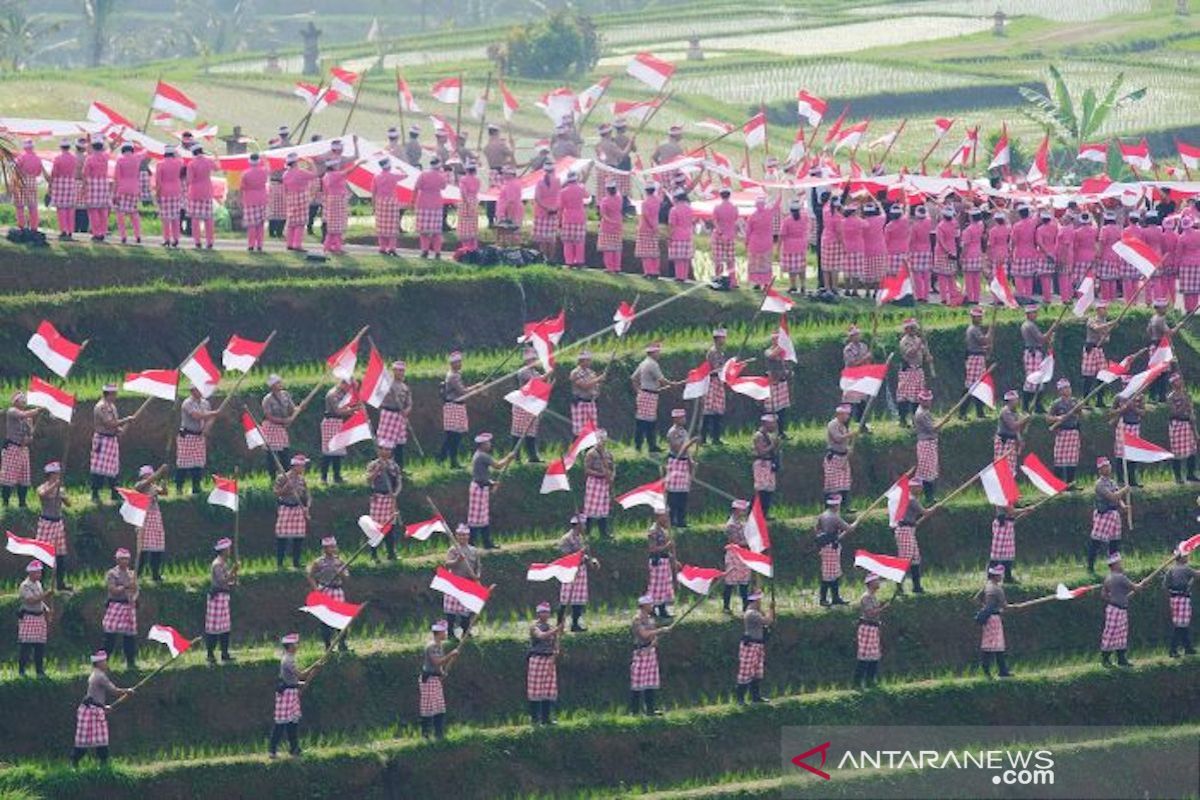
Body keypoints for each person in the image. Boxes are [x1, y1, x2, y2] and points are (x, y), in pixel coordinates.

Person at [71, 651, 133, 766]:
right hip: (91, 711)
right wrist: (127, 691)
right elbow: (114, 691)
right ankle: (78, 762)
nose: (106, 663)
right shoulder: (100, 676)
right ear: (99, 663)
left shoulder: (95, 674)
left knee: (98, 740)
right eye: (104, 661)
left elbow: (95, 696)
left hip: (94, 709)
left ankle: (100, 764)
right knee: (87, 740)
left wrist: (103, 707)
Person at [1100, 553, 1153, 668]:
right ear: (1114, 565)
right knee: (1114, 633)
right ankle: (1108, 659)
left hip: (1114, 608)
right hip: (1117, 610)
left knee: (1118, 633)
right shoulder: (1120, 577)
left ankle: (1119, 659)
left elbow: (1103, 595)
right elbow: (1136, 588)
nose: (1121, 565)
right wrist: (1144, 583)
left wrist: (1116, 598)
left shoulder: (1108, 577)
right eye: (1119, 563)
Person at [468, 432, 515, 550]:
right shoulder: (483, 456)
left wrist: (491, 483)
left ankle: (486, 543)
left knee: (483, 517)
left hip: (481, 487)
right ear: (482, 445)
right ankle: (471, 544)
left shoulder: (478, 455)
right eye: (488, 443)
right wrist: (509, 458)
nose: (490, 444)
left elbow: (482, 474)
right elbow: (498, 466)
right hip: (479, 488)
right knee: (475, 518)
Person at [419, 621, 464, 739]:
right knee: (428, 707)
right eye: (444, 631)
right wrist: (451, 654)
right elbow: (436, 662)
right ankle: (426, 734)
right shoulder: (432, 646)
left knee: (439, 706)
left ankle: (438, 734)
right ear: (439, 633)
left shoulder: (439, 645)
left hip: (435, 678)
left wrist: (441, 672)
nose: (445, 633)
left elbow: (438, 665)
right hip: (429, 679)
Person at [268, 633, 309, 759]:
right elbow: (301, 675)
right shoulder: (288, 660)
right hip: (286, 694)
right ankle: (272, 750)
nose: (297, 646)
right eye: (295, 644)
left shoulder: (289, 658)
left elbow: (295, 679)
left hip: (291, 693)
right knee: (281, 723)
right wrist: (314, 668)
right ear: (290, 646)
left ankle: (294, 748)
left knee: (292, 722)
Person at [307, 537, 350, 652]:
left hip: (337, 591)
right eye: (327, 547)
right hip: (325, 590)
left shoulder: (340, 562)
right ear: (324, 549)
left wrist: (340, 573)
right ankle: (327, 645)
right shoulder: (318, 562)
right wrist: (316, 589)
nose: (330, 549)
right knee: (326, 619)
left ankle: (342, 643)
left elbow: (347, 578)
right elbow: (310, 576)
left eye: (332, 547)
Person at [90, 384, 131, 504]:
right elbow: (109, 423)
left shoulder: (112, 406)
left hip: (111, 440)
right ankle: (95, 494)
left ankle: (114, 492)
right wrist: (126, 420)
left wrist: (121, 429)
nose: (116, 396)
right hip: (102, 441)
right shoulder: (101, 407)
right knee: (99, 469)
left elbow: (115, 425)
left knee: (113, 468)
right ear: (109, 394)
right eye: (115, 394)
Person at [853, 573, 894, 689]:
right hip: (867, 628)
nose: (879, 582)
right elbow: (869, 613)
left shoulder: (872, 597)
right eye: (877, 581)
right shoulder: (866, 597)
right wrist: (883, 608)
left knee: (874, 655)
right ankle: (857, 683)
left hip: (873, 628)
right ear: (871, 583)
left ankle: (870, 681)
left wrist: (881, 608)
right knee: (864, 656)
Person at [557, 515, 598, 631]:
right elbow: (566, 556)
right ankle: (559, 625)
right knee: (565, 599)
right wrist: (581, 553)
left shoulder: (581, 538)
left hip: (581, 571)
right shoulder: (566, 539)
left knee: (578, 599)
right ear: (578, 525)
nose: (585, 527)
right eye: (583, 524)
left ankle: (575, 624)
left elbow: (585, 555)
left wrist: (591, 561)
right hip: (569, 571)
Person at [1089, 457, 1129, 573]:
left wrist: (1123, 506)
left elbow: (1118, 498)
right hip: (1103, 515)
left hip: (1114, 515)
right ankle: (1090, 566)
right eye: (1104, 467)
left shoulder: (1112, 482)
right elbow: (1113, 496)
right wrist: (1124, 490)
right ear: (1100, 470)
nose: (1107, 469)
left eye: (1108, 466)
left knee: (1114, 542)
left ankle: (1114, 567)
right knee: (1096, 541)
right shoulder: (1099, 484)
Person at [2, 391, 41, 509]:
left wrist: (29, 437)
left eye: (24, 400)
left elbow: (31, 434)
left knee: (24, 477)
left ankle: (22, 503)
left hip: (23, 449)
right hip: (12, 448)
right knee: (8, 477)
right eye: (21, 400)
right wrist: (38, 410)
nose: (24, 402)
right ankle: (5, 503)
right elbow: (23, 415)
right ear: (15, 401)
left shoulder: (27, 419)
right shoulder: (12, 411)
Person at [176, 385, 218, 495]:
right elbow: (197, 416)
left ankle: (196, 487)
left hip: (199, 436)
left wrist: (207, 428)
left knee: (198, 464)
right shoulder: (187, 403)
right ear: (192, 391)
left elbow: (209, 418)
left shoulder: (205, 403)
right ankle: (179, 487)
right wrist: (214, 413)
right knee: (183, 464)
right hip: (187, 436)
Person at [102, 548, 138, 670]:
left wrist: (134, 596)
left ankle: (131, 663)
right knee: (110, 638)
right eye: (122, 559)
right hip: (115, 606)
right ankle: (103, 663)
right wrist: (126, 586)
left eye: (127, 559)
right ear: (117, 560)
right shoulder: (112, 573)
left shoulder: (132, 574)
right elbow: (113, 590)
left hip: (128, 606)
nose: (125, 561)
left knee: (129, 637)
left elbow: (136, 590)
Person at [630, 594, 667, 715]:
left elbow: (653, 637)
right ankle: (635, 711)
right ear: (644, 606)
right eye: (650, 604)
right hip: (640, 653)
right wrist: (661, 630)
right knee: (638, 682)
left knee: (650, 682)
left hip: (650, 652)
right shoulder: (637, 619)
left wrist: (653, 643)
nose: (652, 606)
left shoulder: (651, 619)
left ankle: (650, 710)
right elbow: (644, 634)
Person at [526, 602, 563, 726]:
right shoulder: (534, 626)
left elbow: (555, 642)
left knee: (548, 690)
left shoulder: (551, 626)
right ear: (538, 613)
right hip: (537, 659)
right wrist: (556, 630)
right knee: (535, 690)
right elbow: (541, 636)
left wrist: (556, 649)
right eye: (542, 612)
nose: (545, 614)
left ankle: (546, 719)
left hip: (549, 660)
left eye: (547, 612)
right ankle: (535, 720)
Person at [37, 462, 71, 590]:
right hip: (46, 523)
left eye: (58, 474)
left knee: (61, 554)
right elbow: (42, 494)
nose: (58, 476)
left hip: (58, 523)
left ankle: (60, 583)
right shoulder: (43, 487)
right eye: (56, 474)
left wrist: (63, 496)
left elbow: (69, 504)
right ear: (50, 475)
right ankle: (41, 583)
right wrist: (54, 486)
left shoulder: (60, 490)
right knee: (43, 553)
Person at [630, 343, 670, 453]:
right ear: (653, 353)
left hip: (646, 394)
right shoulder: (652, 364)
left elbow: (633, 378)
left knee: (646, 421)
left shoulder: (643, 363)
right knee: (645, 422)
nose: (659, 354)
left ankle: (649, 446)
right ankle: (644, 446)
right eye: (658, 352)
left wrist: (638, 391)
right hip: (648, 394)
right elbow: (661, 380)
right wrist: (672, 384)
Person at [443, 524, 481, 639]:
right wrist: (457, 560)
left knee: (467, 611)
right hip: (454, 582)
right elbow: (447, 564)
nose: (462, 537)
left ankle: (466, 631)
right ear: (456, 536)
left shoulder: (474, 550)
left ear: (468, 536)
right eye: (460, 535)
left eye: (464, 535)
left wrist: (477, 576)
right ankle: (450, 633)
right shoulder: (453, 549)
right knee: (451, 612)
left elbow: (478, 566)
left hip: (468, 583)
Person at [274, 454, 311, 570]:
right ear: (295, 466)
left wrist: (307, 507)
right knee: (282, 537)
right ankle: (280, 564)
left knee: (298, 538)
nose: (304, 468)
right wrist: (286, 488)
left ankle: (296, 562)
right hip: (285, 508)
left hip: (298, 509)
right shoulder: (282, 477)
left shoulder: (302, 479)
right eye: (302, 466)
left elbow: (307, 495)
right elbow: (276, 493)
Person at [204, 538, 238, 664]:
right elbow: (221, 580)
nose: (230, 551)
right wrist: (233, 572)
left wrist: (233, 577)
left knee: (224, 627)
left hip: (223, 598)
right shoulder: (217, 564)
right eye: (228, 549)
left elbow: (227, 580)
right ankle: (210, 654)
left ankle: (224, 653)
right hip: (217, 598)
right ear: (223, 551)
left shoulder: (223, 563)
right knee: (213, 628)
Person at [319, 380, 358, 485]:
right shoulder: (332, 394)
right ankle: (323, 477)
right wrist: (353, 409)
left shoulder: (342, 393)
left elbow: (347, 405)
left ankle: (337, 477)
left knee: (338, 453)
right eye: (348, 386)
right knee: (328, 453)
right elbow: (338, 411)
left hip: (338, 423)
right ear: (342, 383)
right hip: (330, 422)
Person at [134, 464, 168, 582]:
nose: (149, 477)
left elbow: (164, 492)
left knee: (157, 548)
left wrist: (164, 479)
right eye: (147, 475)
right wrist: (159, 472)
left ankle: (155, 574)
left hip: (155, 520)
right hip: (144, 520)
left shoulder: (153, 487)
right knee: (143, 549)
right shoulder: (139, 486)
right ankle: (138, 574)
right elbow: (148, 482)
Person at [977, 564, 1012, 678]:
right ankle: (994, 671)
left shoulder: (987, 586)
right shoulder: (997, 589)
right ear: (996, 576)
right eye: (1000, 575)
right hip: (995, 619)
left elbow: (976, 599)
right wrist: (1016, 607)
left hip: (988, 619)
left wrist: (985, 608)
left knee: (993, 645)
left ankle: (1002, 671)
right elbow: (1005, 606)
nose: (1001, 577)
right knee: (995, 645)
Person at [512, 349, 548, 463]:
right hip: (522, 404)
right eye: (532, 359)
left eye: (535, 359)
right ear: (527, 361)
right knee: (518, 431)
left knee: (531, 432)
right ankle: (515, 457)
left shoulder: (535, 372)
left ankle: (533, 457)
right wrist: (548, 374)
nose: (534, 361)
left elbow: (541, 383)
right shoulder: (523, 371)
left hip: (531, 405)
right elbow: (535, 381)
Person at [896, 319, 933, 427]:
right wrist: (919, 344)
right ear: (906, 330)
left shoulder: (917, 339)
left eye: (914, 328)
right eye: (911, 328)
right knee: (904, 396)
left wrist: (928, 357)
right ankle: (902, 420)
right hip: (908, 371)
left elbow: (924, 352)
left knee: (917, 396)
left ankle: (915, 420)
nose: (914, 330)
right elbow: (909, 353)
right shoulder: (904, 341)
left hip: (918, 370)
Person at [894, 477, 928, 592]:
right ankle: (899, 587)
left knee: (915, 558)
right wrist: (937, 508)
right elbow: (925, 512)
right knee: (905, 559)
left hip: (909, 529)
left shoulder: (909, 498)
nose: (921, 489)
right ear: (912, 487)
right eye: (918, 487)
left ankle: (916, 587)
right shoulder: (911, 499)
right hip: (905, 530)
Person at [438, 351, 472, 469]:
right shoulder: (453, 376)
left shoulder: (455, 374)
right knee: (453, 436)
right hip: (453, 407)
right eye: (457, 362)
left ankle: (446, 459)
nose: (460, 364)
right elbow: (462, 391)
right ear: (452, 364)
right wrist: (476, 387)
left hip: (457, 406)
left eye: (460, 362)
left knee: (454, 436)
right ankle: (447, 459)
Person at [816, 495, 851, 606]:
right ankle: (823, 599)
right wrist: (853, 525)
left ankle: (835, 598)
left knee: (833, 573)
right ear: (836, 505)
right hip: (831, 547)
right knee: (828, 575)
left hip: (826, 547)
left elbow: (816, 530)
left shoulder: (822, 515)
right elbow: (849, 529)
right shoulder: (834, 517)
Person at [664, 409, 697, 528]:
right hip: (675, 463)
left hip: (683, 464)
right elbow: (678, 449)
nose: (684, 419)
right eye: (682, 417)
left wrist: (690, 461)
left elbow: (686, 451)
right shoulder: (672, 432)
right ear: (676, 419)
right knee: (673, 495)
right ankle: (672, 521)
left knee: (683, 494)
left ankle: (682, 521)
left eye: (684, 417)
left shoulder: (684, 431)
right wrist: (691, 443)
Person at [378, 361, 413, 469]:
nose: (400, 373)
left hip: (400, 417)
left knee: (399, 444)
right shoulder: (387, 384)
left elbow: (409, 403)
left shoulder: (405, 387)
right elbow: (378, 397)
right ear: (393, 371)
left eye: (402, 370)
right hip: (388, 415)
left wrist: (407, 410)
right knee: (386, 444)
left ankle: (399, 468)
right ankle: (384, 467)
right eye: (398, 370)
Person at [17, 561, 50, 678]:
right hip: (29, 618)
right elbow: (30, 600)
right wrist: (45, 595)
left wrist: (46, 609)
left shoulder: (38, 584)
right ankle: (21, 671)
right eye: (38, 572)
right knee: (26, 646)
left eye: (40, 572)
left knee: (39, 647)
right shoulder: (25, 585)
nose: (40, 574)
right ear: (31, 573)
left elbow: (39, 601)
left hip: (39, 618)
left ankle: (39, 671)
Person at [261, 374, 296, 479]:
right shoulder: (267, 399)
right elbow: (269, 416)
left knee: (284, 452)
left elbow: (292, 408)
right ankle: (272, 476)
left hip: (281, 428)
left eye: (280, 382)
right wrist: (284, 420)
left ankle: (287, 475)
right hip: (271, 427)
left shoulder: (286, 395)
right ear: (272, 386)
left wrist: (299, 408)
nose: (280, 384)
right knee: (272, 454)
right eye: (277, 383)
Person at [1082, 301, 1117, 407]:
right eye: (1103, 308)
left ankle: (1100, 400)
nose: (1105, 310)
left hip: (1099, 350)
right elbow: (1096, 328)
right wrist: (1111, 324)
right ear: (1098, 310)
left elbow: (1106, 339)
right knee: (1088, 377)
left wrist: (1106, 332)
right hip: (1091, 350)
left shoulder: (1105, 322)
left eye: (1106, 308)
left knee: (1102, 376)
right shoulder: (1091, 320)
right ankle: (1085, 401)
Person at [1164, 545, 1197, 657]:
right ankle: (1173, 650)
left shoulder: (1171, 569)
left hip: (1174, 598)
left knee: (1182, 624)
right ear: (1181, 558)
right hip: (1183, 599)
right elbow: (1197, 575)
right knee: (1181, 625)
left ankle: (1188, 648)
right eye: (1186, 556)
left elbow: (1165, 585)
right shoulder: (1186, 569)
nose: (1188, 557)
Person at [1047, 378, 1081, 484]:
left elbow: (1082, 414)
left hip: (1073, 432)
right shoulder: (1056, 404)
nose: (1067, 390)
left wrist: (1079, 409)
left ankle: (1070, 483)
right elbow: (1048, 418)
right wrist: (1058, 418)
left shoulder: (1075, 401)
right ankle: (1057, 483)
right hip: (1062, 432)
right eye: (1065, 388)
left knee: (1072, 459)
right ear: (1060, 391)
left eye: (1068, 387)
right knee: (1060, 459)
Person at [1167, 373, 1199, 483]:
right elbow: (1174, 412)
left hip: (1187, 424)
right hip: (1177, 425)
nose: (1179, 382)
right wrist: (1184, 404)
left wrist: (1195, 430)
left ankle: (1191, 474)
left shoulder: (1187, 395)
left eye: (1180, 380)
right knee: (1177, 452)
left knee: (1192, 450)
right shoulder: (1171, 397)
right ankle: (1178, 476)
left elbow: (1191, 412)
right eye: (1177, 380)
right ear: (1172, 383)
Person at [582, 430, 615, 539]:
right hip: (594, 482)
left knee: (604, 509)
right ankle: (587, 533)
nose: (602, 442)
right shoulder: (591, 453)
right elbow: (587, 470)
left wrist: (611, 477)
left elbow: (612, 468)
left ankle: (603, 533)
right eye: (600, 439)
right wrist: (601, 474)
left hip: (605, 483)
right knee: (591, 509)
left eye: (604, 439)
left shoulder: (608, 453)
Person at [281, 152, 317, 251]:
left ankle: (289, 244)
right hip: (301, 196)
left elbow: (285, 188)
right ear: (296, 162)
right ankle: (297, 244)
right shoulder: (300, 172)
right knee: (300, 223)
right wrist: (311, 163)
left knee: (291, 222)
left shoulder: (285, 174)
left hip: (290, 197)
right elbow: (314, 175)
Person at [413, 156, 447, 258]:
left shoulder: (423, 174)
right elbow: (444, 187)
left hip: (423, 202)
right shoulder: (441, 176)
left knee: (424, 231)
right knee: (436, 231)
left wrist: (412, 201)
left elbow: (416, 188)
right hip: (436, 203)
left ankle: (425, 250)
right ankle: (437, 252)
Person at [961, 307, 992, 419]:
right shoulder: (973, 329)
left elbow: (982, 344)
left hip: (978, 358)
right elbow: (984, 340)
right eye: (978, 317)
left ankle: (980, 412)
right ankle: (962, 412)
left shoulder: (976, 329)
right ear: (973, 317)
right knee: (971, 385)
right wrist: (990, 331)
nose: (980, 318)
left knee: (979, 386)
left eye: (981, 316)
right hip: (974, 358)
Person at [722, 499, 753, 612]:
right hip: (735, 554)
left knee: (744, 582)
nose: (744, 512)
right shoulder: (731, 525)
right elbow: (734, 541)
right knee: (730, 581)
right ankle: (726, 606)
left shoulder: (741, 522)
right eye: (742, 510)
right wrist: (750, 543)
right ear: (736, 510)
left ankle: (745, 606)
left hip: (743, 554)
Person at [646, 511, 677, 619]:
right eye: (665, 516)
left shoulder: (663, 530)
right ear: (659, 516)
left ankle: (662, 609)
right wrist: (667, 546)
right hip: (657, 562)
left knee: (663, 586)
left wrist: (673, 559)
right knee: (656, 587)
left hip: (664, 561)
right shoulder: (653, 531)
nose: (667, 518)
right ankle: (652, 609)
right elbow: (652, 549)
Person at [1019, 304, 1050, 412]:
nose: (1036, 314)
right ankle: (1028, 405)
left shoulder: (1027, 325)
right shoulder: (1030, 325)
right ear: (1028, 314)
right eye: (1034, 313)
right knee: (1033, 379)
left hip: (1033, 352)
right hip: (1033, 353)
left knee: (1036, 379)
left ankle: (1035, 405)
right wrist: (1052, 329)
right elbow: (1041, 339)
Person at [1111, 393, 1146, 488]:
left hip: (1135, 426)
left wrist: (1133, 407)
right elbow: (1111, 412)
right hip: (1123, 425)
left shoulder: (1140, 396)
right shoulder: (1119, 397)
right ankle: (1120, 480)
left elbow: (1143, 413)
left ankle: (1132, 480)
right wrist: (1122, 409)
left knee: (1133, 453)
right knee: (1120, 454)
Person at [824, 404, 854, 508]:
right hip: (834, 457)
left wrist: (848, 449)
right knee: (833, 484)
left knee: (845, 482)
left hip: (843, 457)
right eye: (846, 415)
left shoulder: (844, 426)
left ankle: (846, 506)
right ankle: (830, 507)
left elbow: (846, 441)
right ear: (840, 415)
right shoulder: (832, 424)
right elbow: (838, 438)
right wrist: (851, 435)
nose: (847, 417)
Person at [701, 328, 728, 445]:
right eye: (723, 338)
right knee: (708, 412)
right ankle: (703, 438)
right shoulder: (713, 352)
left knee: (718, 412)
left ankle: (715, 438)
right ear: (718, 339)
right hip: (712, 382)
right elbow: (716, 368)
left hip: (718, 383)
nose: (725, 340)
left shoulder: (720, 352)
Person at [913, 390, 940, 504]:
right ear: (920, 401)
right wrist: (944, 421)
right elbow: (933, 428)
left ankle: (930, 497)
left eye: (928, 400)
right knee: (926, 472)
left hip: (930, 444)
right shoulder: (921, 414)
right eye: (925, 401)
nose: (927, 403)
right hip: (926, 444)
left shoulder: (925, 412)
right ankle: (928, 498)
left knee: (931, 471)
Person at [842, 325, 872, 427]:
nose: (857, 337)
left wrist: (868, 362)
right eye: (854, 335)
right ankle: (845, 425)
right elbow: (852, 364)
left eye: (858, 335)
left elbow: (867, 361)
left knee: (862, 402)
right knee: (849, 402)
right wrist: (865, 358)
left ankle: (862, 425)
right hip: (851, 377)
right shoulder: (848, 349)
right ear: (850, 337)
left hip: (862, 376)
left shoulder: (864, 346)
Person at [187, 146, 216, 249]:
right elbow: (217, 168)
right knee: (208, 219)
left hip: (195, 192)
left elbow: (189, 180)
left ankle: (197, 241)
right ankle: (210, 241)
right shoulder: (209, 161)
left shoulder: (191, 164)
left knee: (195, 219)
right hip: (207, 191)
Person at [112, 143, 142, 244]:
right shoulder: (136, 159)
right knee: (134, 213)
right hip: (134, 188)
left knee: (120, 213)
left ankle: (123, 236)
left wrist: (114, 193)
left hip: (122, 188)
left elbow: (116, 177)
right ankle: (138, 235)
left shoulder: (120, 160)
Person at [746, 196, 778, 289]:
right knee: (766, 263)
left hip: (754, 242)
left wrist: (746, 242)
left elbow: (748, 231)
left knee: (755, 263)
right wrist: (780, 193)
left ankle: (757, 282)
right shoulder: (769, 213)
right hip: (767, 242)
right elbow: (776, 206)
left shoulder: (752, 216)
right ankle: (766, 282)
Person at [765, 333, 794, 436]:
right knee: (772, 409)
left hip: (782, 382)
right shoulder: (768, 351)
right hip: (773, 383)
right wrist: (783, 345)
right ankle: (771, 431)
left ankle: (781, 432)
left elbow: (787, 365)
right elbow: (772, 355)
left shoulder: (783, 353)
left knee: (782, 409)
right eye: (776, 340)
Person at [82, 137, 110, 242]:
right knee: (103, 210)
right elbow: (109, 149)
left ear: (93, 146)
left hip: (93, 184)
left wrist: (84, 188)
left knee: (93, 211)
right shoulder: (106, 156)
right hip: (103, 183)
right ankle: (103, 231)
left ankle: (96, 232)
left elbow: (85, 173)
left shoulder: (90, 158)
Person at [532, 163, 561, 263]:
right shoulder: (558, 181)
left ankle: (543, 258)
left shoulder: (540, 182)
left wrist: (546, 207)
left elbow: (537, 198)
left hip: (541, 212)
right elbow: (559, 196)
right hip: (553, 212)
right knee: (551, 239)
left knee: (542, 240)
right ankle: (551, 259)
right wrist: (554, 207)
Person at [752, 414, 780, 517]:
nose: (773, 426)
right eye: (771, 424)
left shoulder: (768, 435)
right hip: (761, 464)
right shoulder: (759, 436)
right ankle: (757, 513)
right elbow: (761, 452)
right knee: (761, 489)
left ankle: (765, 513)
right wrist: (772, 445)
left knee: (769, 488)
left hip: (769, 464)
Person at [50, 138, 78, 239]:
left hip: (60, 182)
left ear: (61, 147)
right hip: (71, 182)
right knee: (70, 209)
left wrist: (51, 183)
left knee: (61, 209)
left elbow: (54, 172)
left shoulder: (58, 158)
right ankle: (70, 230)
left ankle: (64, 230)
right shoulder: (74, 158)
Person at [569, 351, 603, 435]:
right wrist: (598, 379)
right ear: (581, 361)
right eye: (587, 360)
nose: (589, 362)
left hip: (591, 402)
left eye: (589, 360)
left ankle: (590, 448)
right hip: (580, 403)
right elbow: (584, 386)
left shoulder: (592, 372)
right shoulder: (575, 373)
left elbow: (595, 387)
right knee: (579, 431)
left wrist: (598, 385)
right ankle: (576, 447)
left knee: (592, 429)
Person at [711, 187, 739, 289]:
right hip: (730, 235)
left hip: (718, 236)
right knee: (730, 260)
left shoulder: (717, 207)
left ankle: (718, 280)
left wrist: (720, 232)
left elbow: (715, 221)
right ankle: (733, 281)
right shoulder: (734, 207)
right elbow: (735, 219)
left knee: (718, 260)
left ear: (720, 195)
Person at [559, 170, 588, 267]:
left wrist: (559, 221)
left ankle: (569, 262)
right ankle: (579, 261)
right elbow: (587, 196)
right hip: (580, 216)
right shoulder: (581, 188)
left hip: (567, 217)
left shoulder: (563, 192)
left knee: (568, 242)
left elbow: (560, 207)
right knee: (579, 241)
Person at [780, 199, 809, 294]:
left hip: (789, 246)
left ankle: (793, 285)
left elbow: (782, 235)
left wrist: (778, 247)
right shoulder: (804, 218)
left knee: (791, 268)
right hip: (801, 245)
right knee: (801, 268)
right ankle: (803, 285)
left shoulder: (787, 220)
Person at [994, 390, 1026, 474]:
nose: (1017, 402)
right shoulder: (1005, 411)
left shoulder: (1016, 413)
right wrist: (1023, 420)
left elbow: (1017, 429)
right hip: (1003, 442)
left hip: (1011, 441)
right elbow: (1012, 426)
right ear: (1011, 401)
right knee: (1001, 465)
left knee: (1011, 467)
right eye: (1016, 400)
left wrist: (1020, 440)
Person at [667, 190, 695, 282]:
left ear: (676, 199)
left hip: (677, 235)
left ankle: (679, 276)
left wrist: (669, 236)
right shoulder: (690, 209)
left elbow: (672, 225)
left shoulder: (674, 209)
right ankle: (684, 276)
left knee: (678, 258)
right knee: (685, 258)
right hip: (688, 235)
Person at [637, 182, 663, 277]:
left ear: (646, 191)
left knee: (646, 252)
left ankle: (648, 271)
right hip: (655, 226)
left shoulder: (645, 202)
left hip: (645, 228)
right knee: (654, 250)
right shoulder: (657, 200)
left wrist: (651, 225)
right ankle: (655, 270)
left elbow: (646, 215)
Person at [907, 205, 932, 302]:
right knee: (926, 275)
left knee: (917, 275)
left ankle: (919, 295)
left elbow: (911, 240)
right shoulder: (928, 223)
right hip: (927, 249)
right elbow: (929, 216)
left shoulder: (915, 226)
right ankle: (926, 295)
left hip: (916, 251)